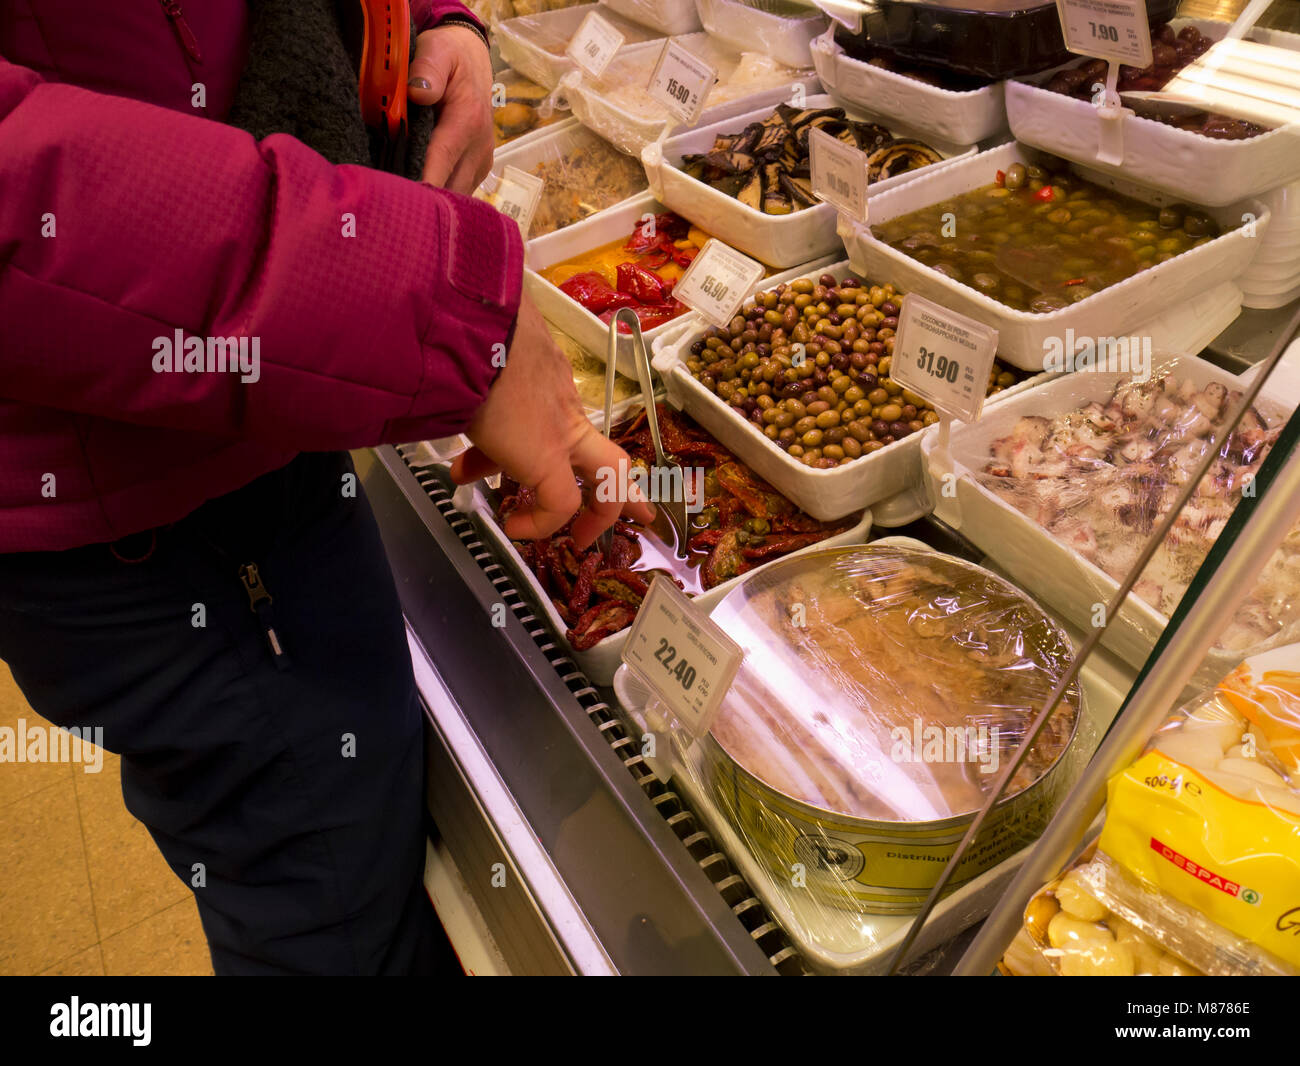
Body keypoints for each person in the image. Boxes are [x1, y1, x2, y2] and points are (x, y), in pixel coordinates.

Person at [0, 1, 652, 975]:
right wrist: (447, 304)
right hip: (154, 508)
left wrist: (428, 23)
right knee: (327, 908)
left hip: (260, 400)